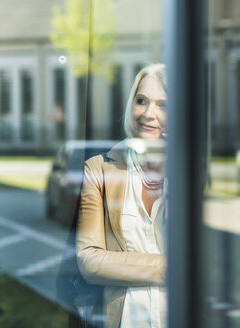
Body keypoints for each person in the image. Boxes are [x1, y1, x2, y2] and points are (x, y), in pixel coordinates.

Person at [76, 63, 168, 328]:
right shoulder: (100, 169)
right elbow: (90, 261)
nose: (148, 113)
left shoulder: (189, 171)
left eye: (163, 105)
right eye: (142, 101)